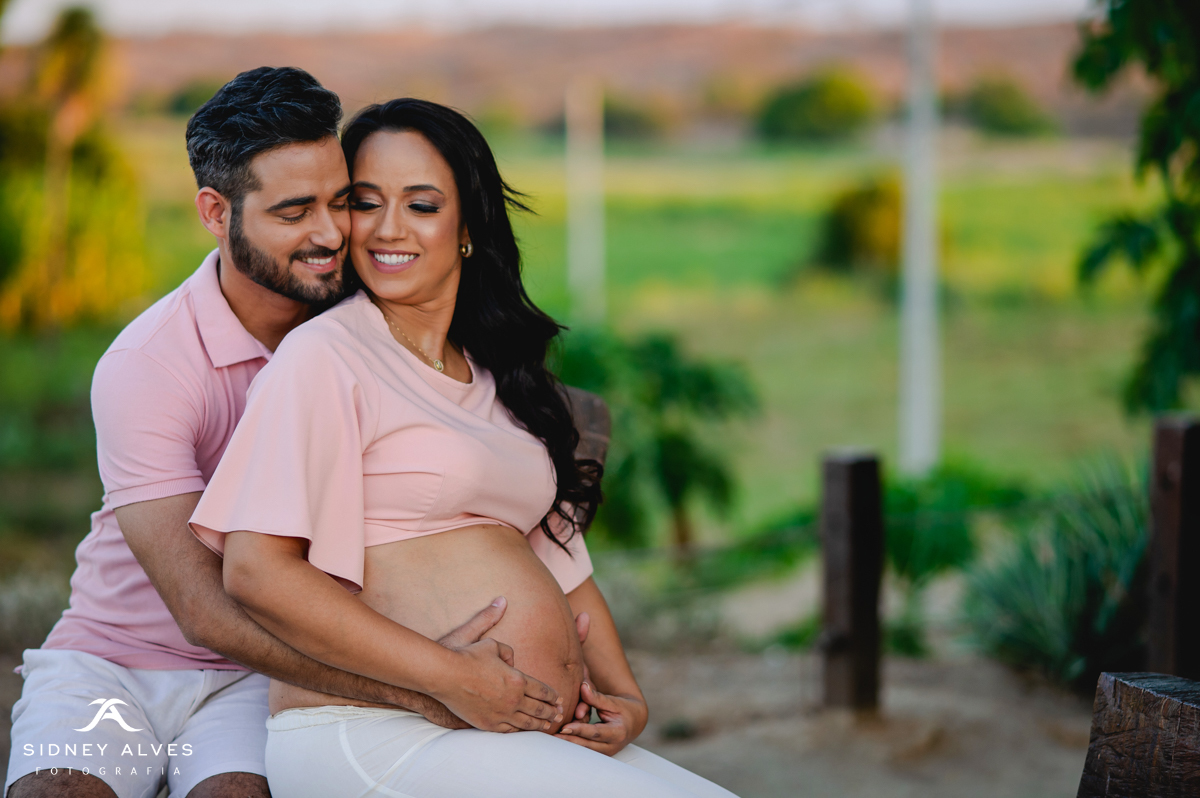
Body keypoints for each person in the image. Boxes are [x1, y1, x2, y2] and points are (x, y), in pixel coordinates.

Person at [5, 68, 562, 798]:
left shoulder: (367, 323)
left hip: (264, 672)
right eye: (295, 212)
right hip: (119, 660)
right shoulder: (148, 364)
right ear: (216, 211)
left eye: (341, 201)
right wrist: (427, 686)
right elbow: (204, 610)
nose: (330, 234)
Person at [188, 98, 738, 797]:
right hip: (374, 732)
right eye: (365, 203)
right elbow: (257, 573)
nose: (388, 228)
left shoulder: (497, 376)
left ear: (469, 225)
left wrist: (626, 697)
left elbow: (561, 561)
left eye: (421, 205)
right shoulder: (326, 355)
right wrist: (450, 677)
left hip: (509, 732)